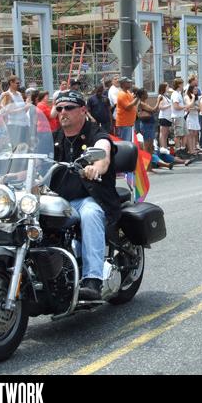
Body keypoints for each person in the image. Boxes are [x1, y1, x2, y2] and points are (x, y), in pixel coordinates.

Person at [51, 90, 121, 301]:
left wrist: (95, 167)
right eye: (59, 108)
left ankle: (93, 279)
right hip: (59, 201)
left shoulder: (96, 134)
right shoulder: (53, 138)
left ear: (83, 110)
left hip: (90, 199)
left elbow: (103, 154)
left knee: (90, 213)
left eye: (69, 108)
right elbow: (35, 160)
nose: (63, 112)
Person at [137, 89, 162, 161]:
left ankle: (150, 164)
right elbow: (153, 110)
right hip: (146, 125)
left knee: (150, 146)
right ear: (142, 95)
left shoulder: (144, 103)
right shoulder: (142, 103)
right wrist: (158, 101)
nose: (147, 94)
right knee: (147, 146)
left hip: (149, 125)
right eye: (146, 93)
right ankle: (147, 164)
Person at [114, 76, 140, 142]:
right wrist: (138, 97)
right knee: (125, 144)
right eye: (128, 82)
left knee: (128, 143)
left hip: (128, 123)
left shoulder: (127, 92)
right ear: (123, 84)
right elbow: (128, 107)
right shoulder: (121, 94)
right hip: (124, 124)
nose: (130, 84)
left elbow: (133, 102)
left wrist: (137, 96)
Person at [157, 82, 173, 149]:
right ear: (164, 88)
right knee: (163, 133)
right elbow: (160, 107)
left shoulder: (166, 96)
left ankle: (165, 146)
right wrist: (170, 105)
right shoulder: (160, 96)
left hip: (168, 117)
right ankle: (162, 147)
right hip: (163, 117)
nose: (168, 88)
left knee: (166, 134)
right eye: (167, 86)